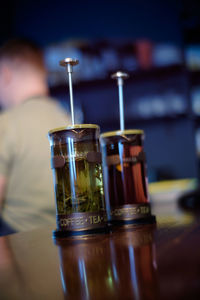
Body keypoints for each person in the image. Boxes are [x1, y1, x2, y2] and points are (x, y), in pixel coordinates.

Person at [0, 39, 71, 234]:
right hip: (68, 244)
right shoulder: (69, 122)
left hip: (18, 248)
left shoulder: (6, 124)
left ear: (5, 74)